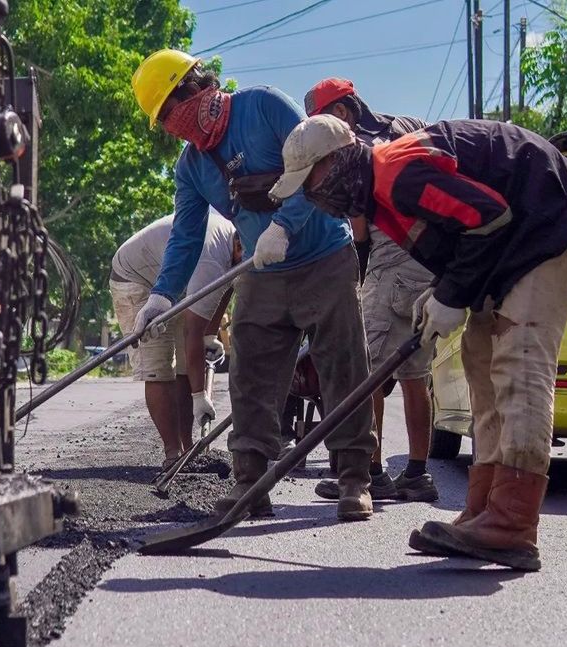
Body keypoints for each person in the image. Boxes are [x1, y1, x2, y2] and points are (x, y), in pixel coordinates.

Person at [270, 114, 567, 571]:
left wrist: (452, 295)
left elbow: (489, 218)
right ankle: (483, 507)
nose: (312, 194)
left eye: (312, 180)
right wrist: (439, 291)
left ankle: (513, 522)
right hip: (514, 240)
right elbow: (462, 234)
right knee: (480, 358)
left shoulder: (396, 172)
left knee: (517, 360)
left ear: (338, 161)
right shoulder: (380, 197)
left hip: (548, 221)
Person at [130, 49, 376, 521]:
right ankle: (250, 482)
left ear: (194, 88)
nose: (171, 126)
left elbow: (321, 162)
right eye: (163, 121)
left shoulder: (263, 106)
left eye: (169, 112)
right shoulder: (192, 166)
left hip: (325, 256)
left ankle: (353, 479)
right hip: (262, 276)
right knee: (250, 377)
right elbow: (184, 237)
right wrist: (162, 294)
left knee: (342, 367)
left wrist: (283, 226)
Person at [304, 78, 439, 503]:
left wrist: (359, 264)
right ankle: (418, 474)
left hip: (389, 254)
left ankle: (370, 472)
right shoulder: (409, 124)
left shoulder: (355, 147)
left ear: (342, 112)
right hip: (430, 257)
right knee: (415, 373)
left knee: (367, 373)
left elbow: (360, 224)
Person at [110, 212, 238, 470]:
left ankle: (188, 449)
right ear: (238, 245)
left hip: (174, 282)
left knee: (184, 368)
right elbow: (193, 333)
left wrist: (210, 336)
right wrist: (200, 396)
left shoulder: (242, 245)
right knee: (160, 367)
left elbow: (225, 290)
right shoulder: (212, 256)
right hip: (137, 278)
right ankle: (172, 453)